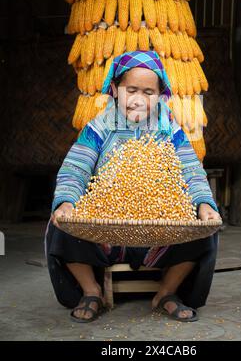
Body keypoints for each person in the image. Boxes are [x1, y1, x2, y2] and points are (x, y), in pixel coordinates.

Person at [46, 50, 221, 323]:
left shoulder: (170, 129)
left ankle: (166, 292)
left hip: (160, 229)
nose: (139, 99)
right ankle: (92, 291)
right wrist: (67, 201)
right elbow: (75, 168)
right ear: (115, 89)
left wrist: (203, 203)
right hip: (105, 229)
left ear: (160, 94)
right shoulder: (100, 127)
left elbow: (191, 169)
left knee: (202, 232)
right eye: (132, 90)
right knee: (62, 227)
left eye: (149, 92)